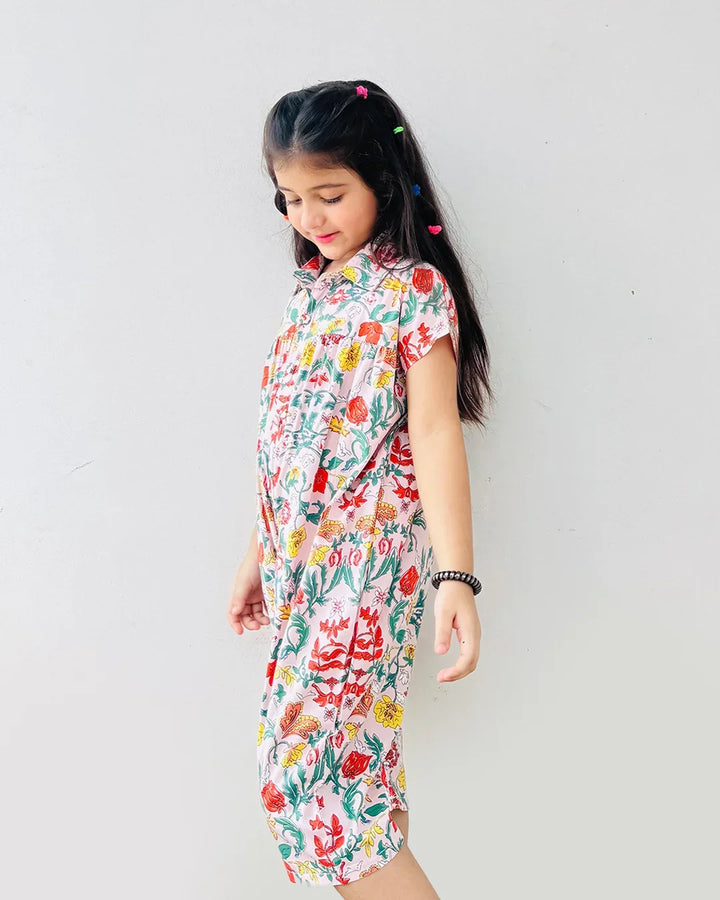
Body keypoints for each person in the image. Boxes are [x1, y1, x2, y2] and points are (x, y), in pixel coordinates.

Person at [227, 79, 494, 896]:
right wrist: (256, 554)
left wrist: (457, 575)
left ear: (385, 176)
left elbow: (435, 434)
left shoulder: (413, 292)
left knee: (312, 784)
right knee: (349, 783)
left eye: (330, 193)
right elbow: (289, 447)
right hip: (302, 572)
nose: (309, 217)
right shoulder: (311, 297)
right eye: (291, 198)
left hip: (363, 574)